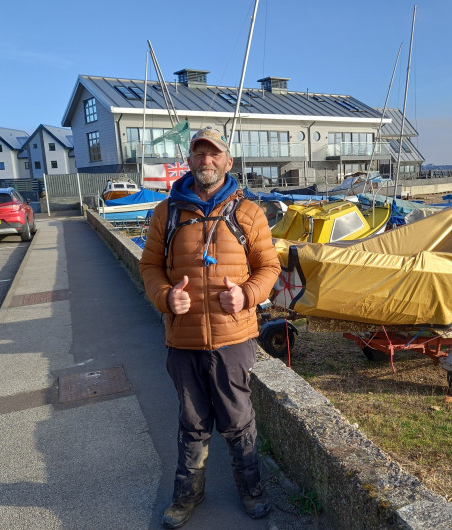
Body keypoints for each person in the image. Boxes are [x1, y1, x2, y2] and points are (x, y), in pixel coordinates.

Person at [139, 125, 281, 528]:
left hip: (233, 338)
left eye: (214, 153)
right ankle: (187, 495)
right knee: (192, 422)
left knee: (238, 422)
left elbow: (269, 267)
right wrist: (166, 297)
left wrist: (247, 295)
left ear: (227, 161)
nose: (207, 160)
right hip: (182, 341)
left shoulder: (248, 213)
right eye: (199, 154)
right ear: (189, 161)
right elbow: (149, 266)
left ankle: (251, 490)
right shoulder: (165, 214)